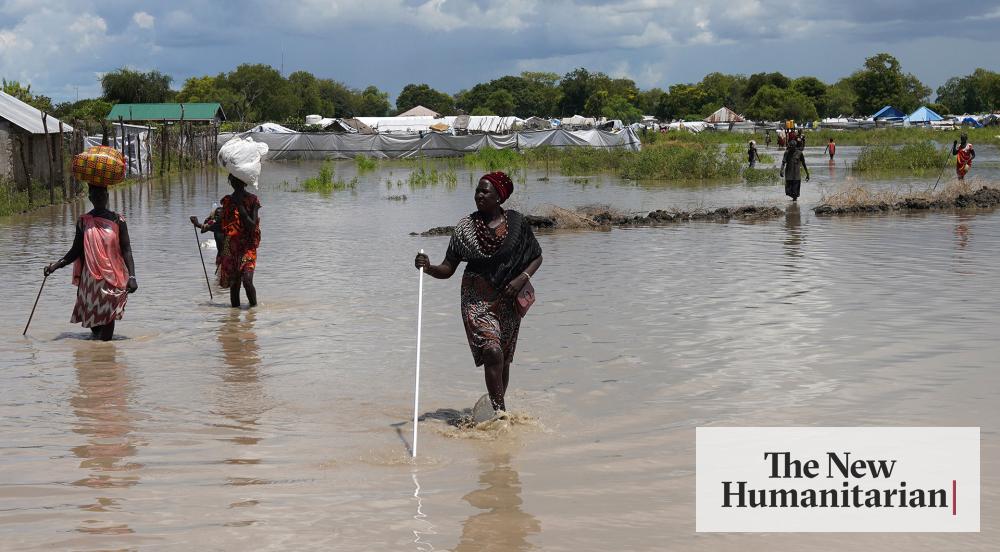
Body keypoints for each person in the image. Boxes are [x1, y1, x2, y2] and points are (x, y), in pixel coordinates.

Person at [414, 172, 543, 415]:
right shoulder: (465, 228)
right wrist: (429, 267)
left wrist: (521, 279)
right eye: (477, 191)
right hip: (476, 299)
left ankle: (494, 411)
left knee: (503, 359)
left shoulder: (516, 224)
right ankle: (501, 415)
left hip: (508, 298)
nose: (479, 195)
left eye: (485, 192)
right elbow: (448, 269)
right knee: (491, 351)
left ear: (499, 197)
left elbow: (537, 256)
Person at [44, 185, 138, 341]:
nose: (100, 197)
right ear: (90, 198)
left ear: (107, 196)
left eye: (102, 194)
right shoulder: (84, 222)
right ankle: (96, 357)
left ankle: (106, 356)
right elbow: (75, 251)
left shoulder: (118, 220)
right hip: (90, 280)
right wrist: (55, 266)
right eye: (96, 195)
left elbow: (127, 249)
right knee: (94, 325)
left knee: (108, 317)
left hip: (111, 279)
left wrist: (132, 276)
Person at [218, 174, 261, 307]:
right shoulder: (227, 201)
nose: (236, 183)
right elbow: (222, 227)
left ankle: (253, 312)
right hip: (231, 247)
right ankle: (234, 318)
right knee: (234, 285)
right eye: (233, 180)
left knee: (247, 281)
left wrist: (240, 206)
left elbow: (252, 225)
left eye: (238, 180)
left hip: (248, 246)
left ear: (244, 182)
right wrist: (201, 226)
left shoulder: (252, 200)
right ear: (231, 182)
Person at [190, 205, 224, 272]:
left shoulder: (225, 226)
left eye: (219, 215)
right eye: (216, 215)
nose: (217, 217)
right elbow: (204, 230)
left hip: (228, 258)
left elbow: (206, 228)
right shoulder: (215, 224)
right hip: (221, 257)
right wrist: (209, 219)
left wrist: (197, 224)